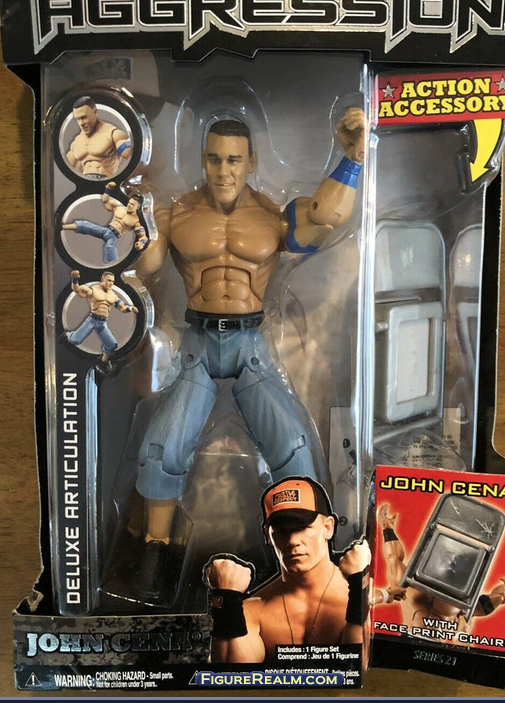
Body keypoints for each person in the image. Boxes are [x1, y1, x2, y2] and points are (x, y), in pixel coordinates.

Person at [127, 108, 365, 603]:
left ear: (252, 161)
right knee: (161, 446)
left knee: (294, 446)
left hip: (250, 345)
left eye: (233, 159)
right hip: (197, 344)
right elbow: (147, 265)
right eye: (214, 159)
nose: (223, 170)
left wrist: (353, 159)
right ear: (203, 159)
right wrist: (137, 219)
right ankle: (155, 551)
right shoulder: (177, 213)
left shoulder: (274, 217)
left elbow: (326, 216)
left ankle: (303, 550)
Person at [205, 477, 369, 662]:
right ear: (268, 535)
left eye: (302, 527)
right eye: (282, 531)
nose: (292, 541)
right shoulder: (254, 611)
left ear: (328, 528)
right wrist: (227, 601)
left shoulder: (363, 594)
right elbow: (232, 675)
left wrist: (359, 590)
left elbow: (358, 668)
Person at [374, 502, 505, 633]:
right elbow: (393, 557)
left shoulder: (462, 602)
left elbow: (501, 598)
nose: (450, 561)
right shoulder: (408, 584)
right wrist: (387, 528)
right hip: (408, 641)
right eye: (446, 556)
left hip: (438, 647)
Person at [62, 182, 148, 264]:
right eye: (129, 203)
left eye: (132, 205)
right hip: (106, 230)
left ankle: (112, 266)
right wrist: (107, 189)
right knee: (85, 225)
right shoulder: (119, 208)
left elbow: (143, 236)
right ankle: (62, 227)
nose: (129, 205)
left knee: (110, 247)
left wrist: (141, 243)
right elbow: (105, 200)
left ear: (138, 207)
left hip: (114, 236)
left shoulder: (135, 221)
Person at [67, 270, 138, 362]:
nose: (111, 283)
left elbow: (122, 308)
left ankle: (104, 360)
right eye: (109, 280)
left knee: (112, 345)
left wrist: (130, 309)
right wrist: (74, 279)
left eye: (112, 281)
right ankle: (69, 334)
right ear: (102, 279)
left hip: (102, 323)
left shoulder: (113, 295)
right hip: (92, 320)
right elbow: (77, 290)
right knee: (75, 340)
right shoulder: (94, 290)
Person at [66, 96, 132, 178]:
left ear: (95, 112)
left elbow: (134, 156)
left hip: (106, 181)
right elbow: (66, 168)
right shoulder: (76, 142)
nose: (81, 123)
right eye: (78, 119)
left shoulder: (113, 134)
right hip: (85, 182)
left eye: (83, 117)